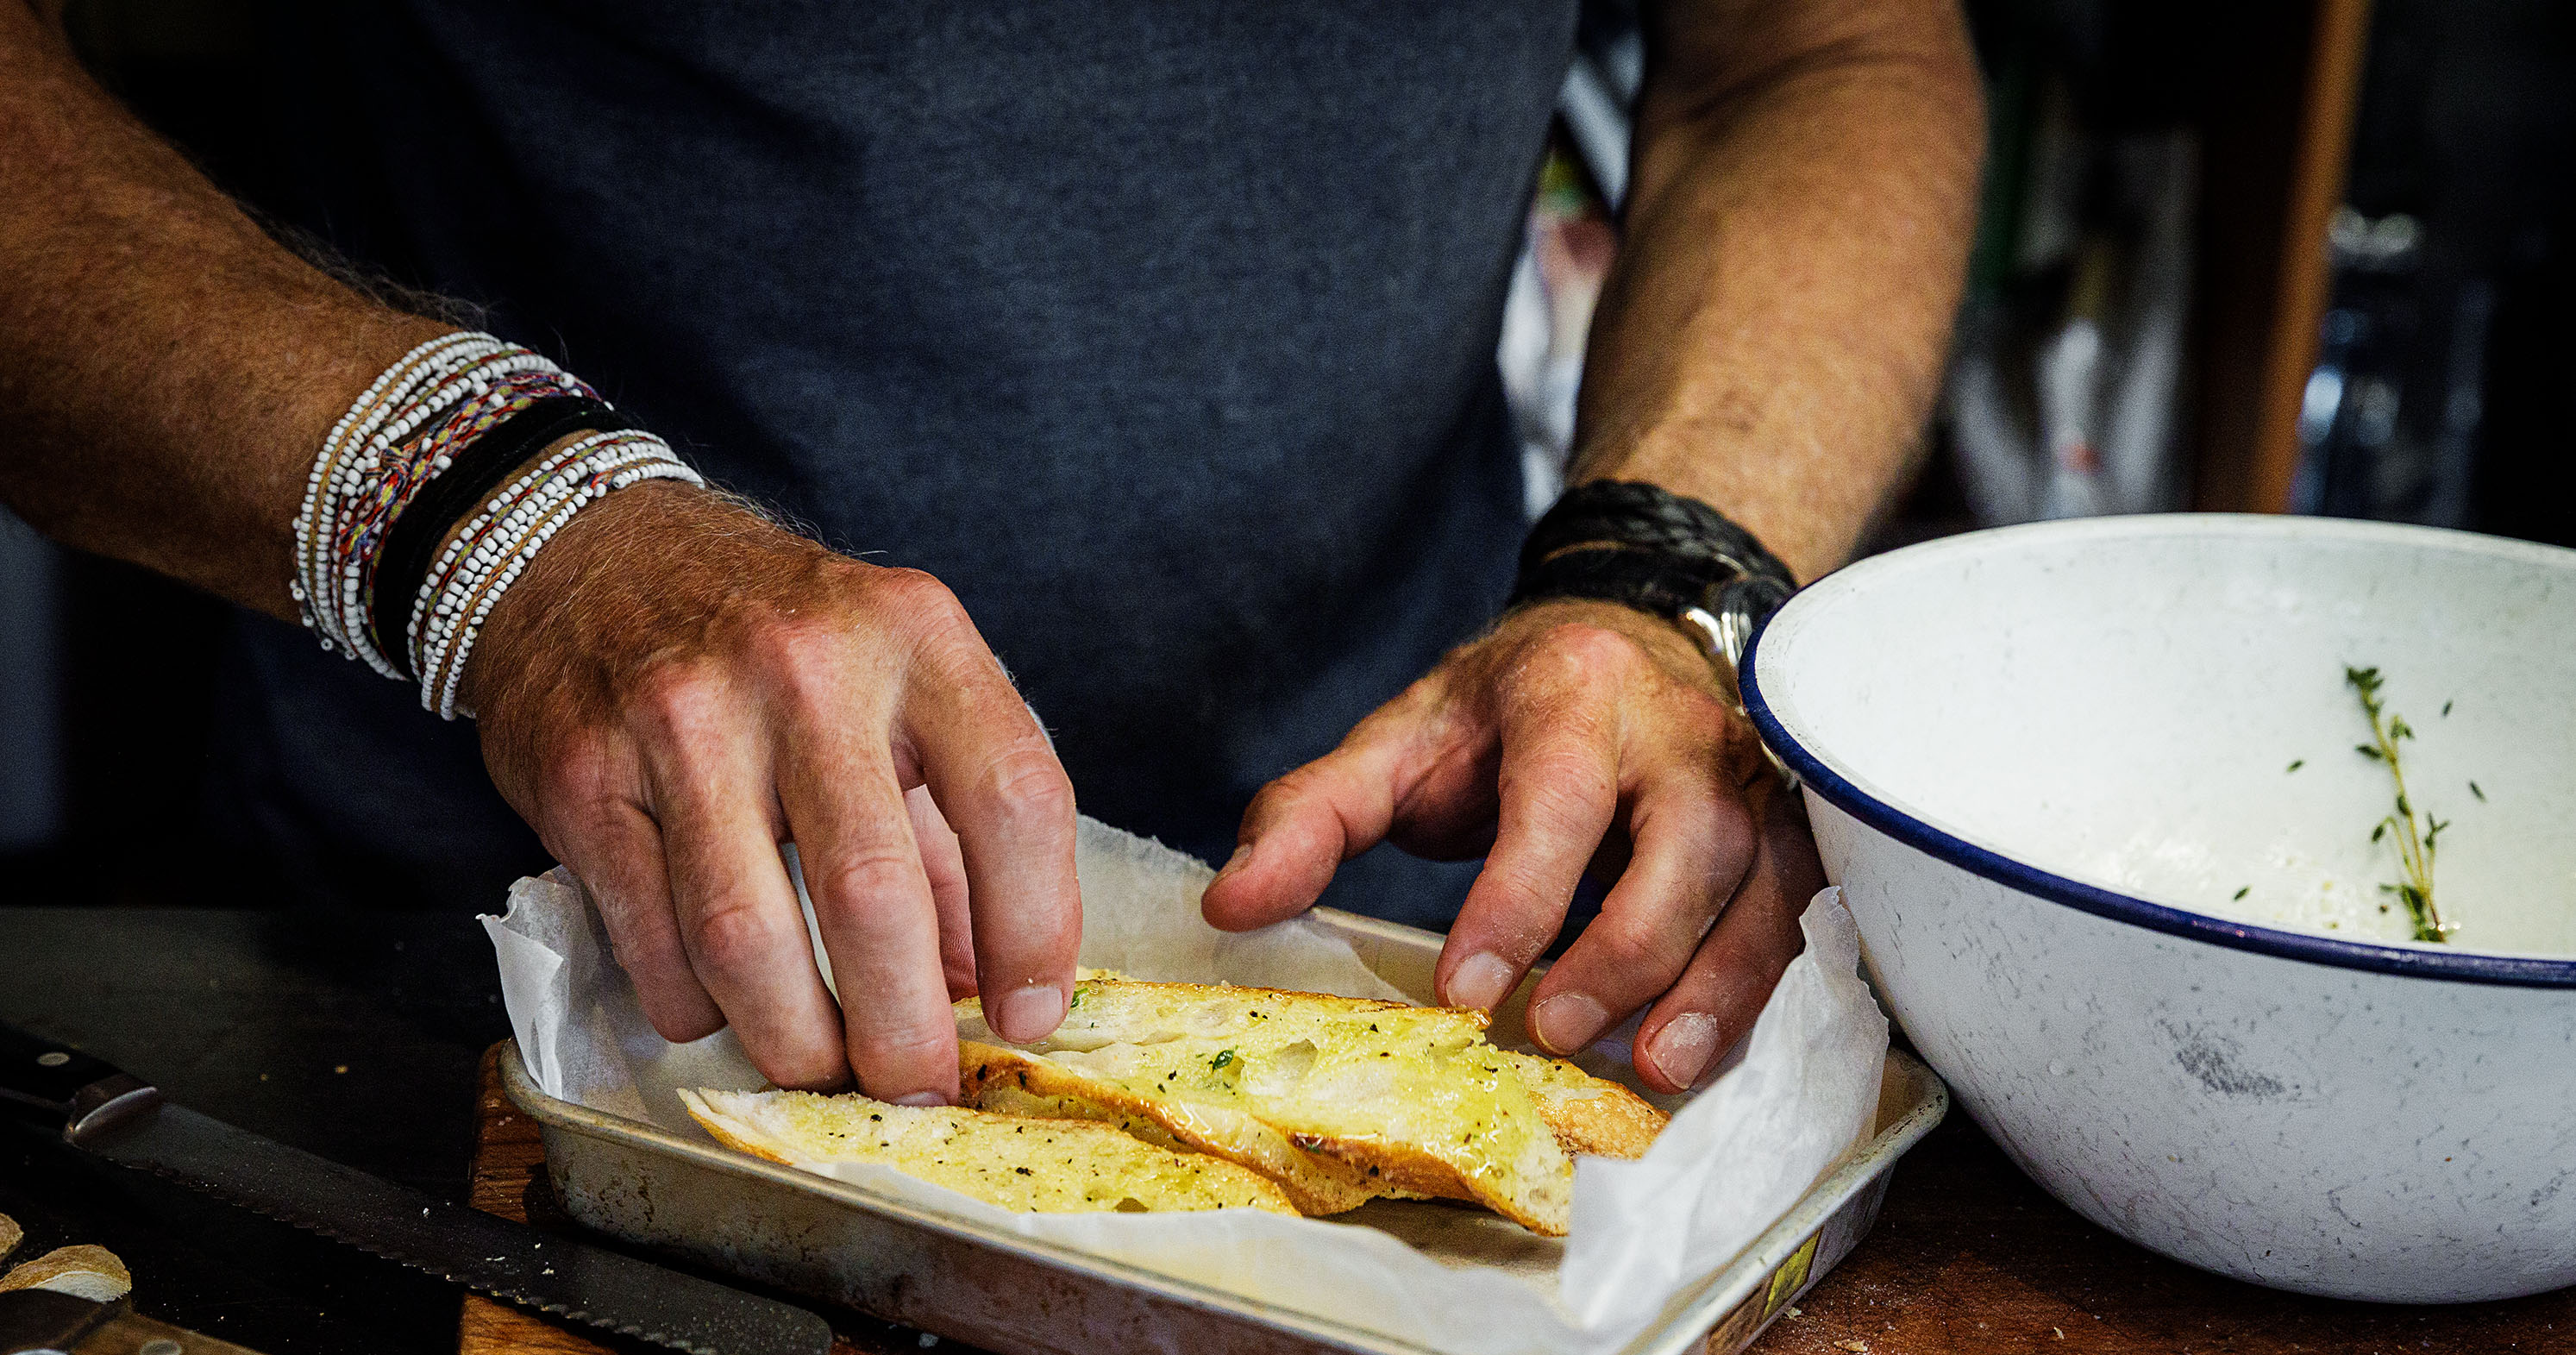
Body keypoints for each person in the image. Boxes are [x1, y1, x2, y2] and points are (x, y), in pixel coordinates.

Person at [0, 2, 1980, 1104]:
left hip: (1428, 948)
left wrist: (1670, 578)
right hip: (506, 982)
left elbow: (1820, 57)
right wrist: (513, 533)